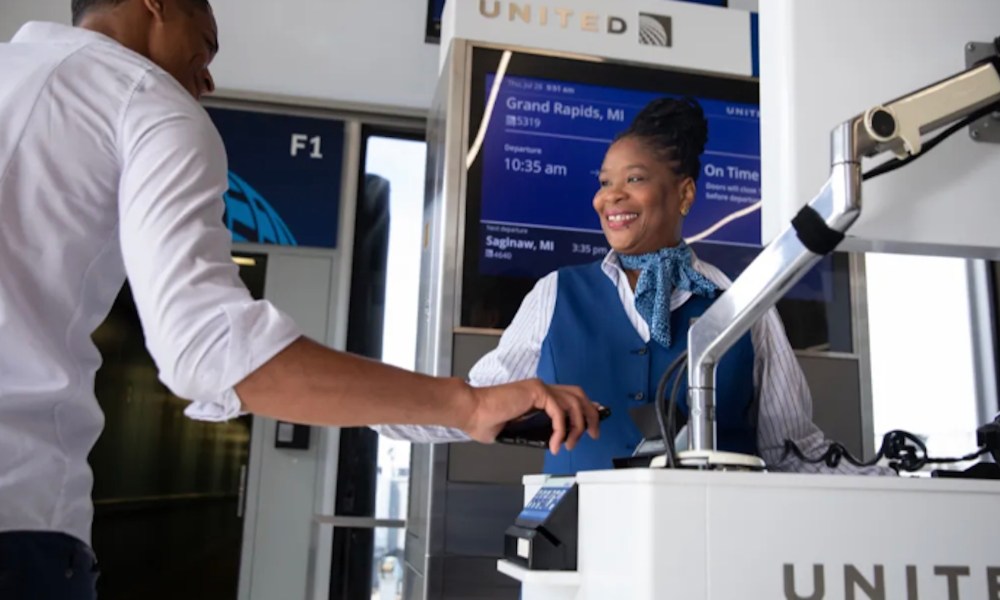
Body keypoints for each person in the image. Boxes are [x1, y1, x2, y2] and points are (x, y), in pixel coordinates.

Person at [0, 1, 600, 598]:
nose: (207, 78)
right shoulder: (149, 103)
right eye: (205, 47)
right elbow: (209, 349)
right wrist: (468, 405)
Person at [378, 97, 893, 477]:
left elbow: (790, 449)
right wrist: (374, 406)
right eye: (604, 181)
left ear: (684, 193)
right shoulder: (554, 294)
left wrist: (888, 482)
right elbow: (478, 403)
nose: (611, 197)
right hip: (578, 545)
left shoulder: (743, 303)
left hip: (716, 544)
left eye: (635, 179)